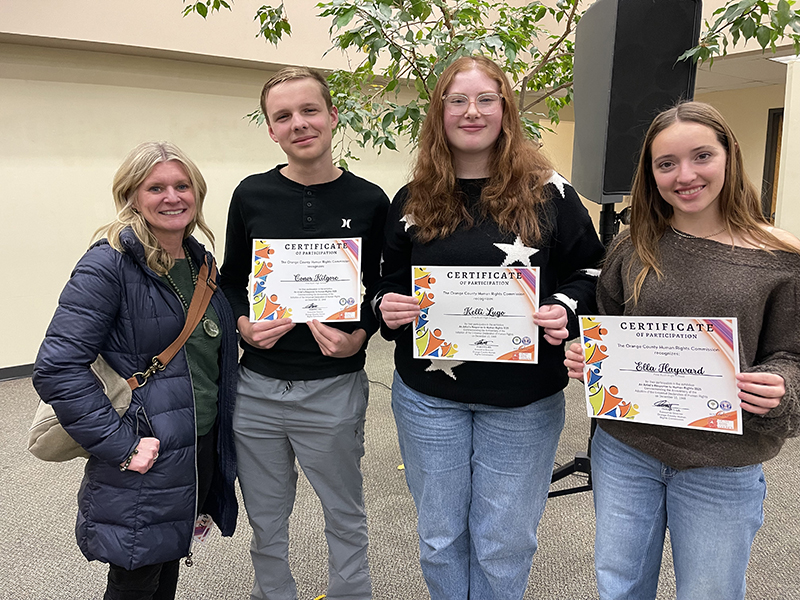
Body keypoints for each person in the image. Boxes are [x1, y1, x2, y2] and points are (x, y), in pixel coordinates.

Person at [373, 56, 605, 600]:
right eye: (458, 100)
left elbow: (592, 269)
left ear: (505, 110)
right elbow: (384, 280)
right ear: (439, 113)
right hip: (429, 396)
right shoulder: (411, 199)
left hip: (523, 401)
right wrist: (387, 305)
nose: (471, 111)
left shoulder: (552, 192)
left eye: (486, 99)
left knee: (504, 541)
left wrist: (566, 306)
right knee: (439, 537)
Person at [564, 101, 800, 600]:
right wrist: (590, 358)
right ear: (650, 174)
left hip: (723, 463)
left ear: (729, 156)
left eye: (701, 157)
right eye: (666, 163)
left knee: (709, 593)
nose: (684, 175)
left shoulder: (781, 258)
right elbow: (607, 328)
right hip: (626, 451)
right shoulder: (632, 248)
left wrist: (782, 386)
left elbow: (792, 355)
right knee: (619, 587)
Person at [32, 141, 239, 600]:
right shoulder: (108, 264)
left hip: (195, 440)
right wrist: (122, 447)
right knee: (136, 575)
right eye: (156, 187)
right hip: (144, 445)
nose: (173, 197)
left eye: (182, 186)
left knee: (165, 562)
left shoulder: (199, 260)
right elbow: (57, 367)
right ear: (132, 196)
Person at [219, 66, 389, 600]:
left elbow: (383, 285)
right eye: (283, 116)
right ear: (271, 129)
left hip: (333, 387)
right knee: (266, 521)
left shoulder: (370, 201)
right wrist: (244, 325)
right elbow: (229, 281)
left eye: (309, 110)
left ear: (333, 116)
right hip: (258, 391)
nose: (299, 123)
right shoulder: (251, 196)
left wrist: (359, 336)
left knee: (344, 514)